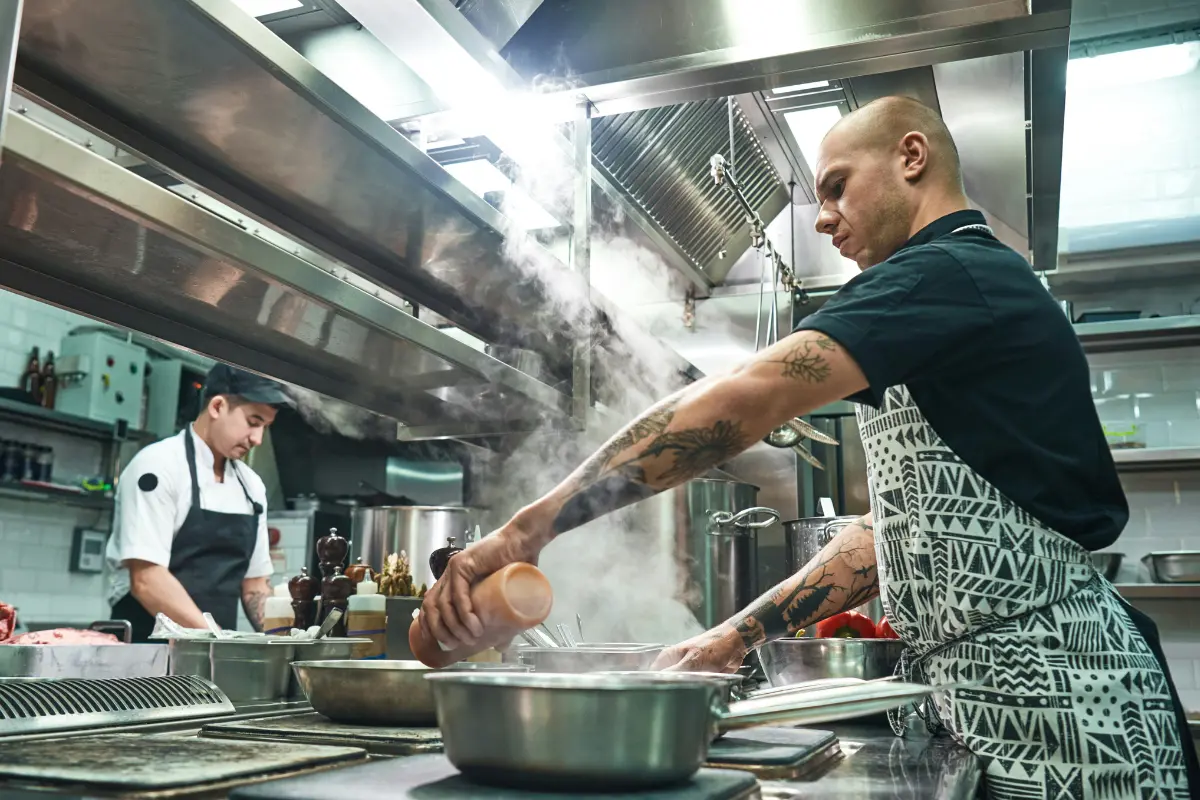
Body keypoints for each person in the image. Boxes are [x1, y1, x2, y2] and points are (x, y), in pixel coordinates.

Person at [421, 96, 1200, 798]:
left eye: (835, 185)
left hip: (1068, 707)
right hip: (999, 697)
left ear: (912, 156)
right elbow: (886, 540)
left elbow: (748, 397)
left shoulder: (950, 271)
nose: (824, 217)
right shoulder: (947, 306)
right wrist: (732, 638)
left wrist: (531, 527)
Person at [107, 363, 293, 641]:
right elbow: (147, 580)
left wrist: (287, 641)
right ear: (217, 407)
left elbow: (254, 586)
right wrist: (216, 642)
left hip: (211, 657)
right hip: (146, 655)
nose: (257, 439)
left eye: (265, 427)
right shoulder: (158, 466)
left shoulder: (251, 487)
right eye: (253, 423)